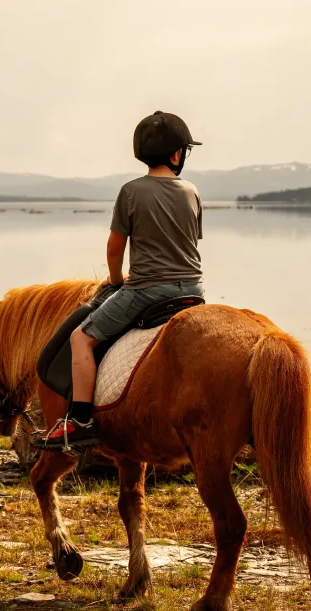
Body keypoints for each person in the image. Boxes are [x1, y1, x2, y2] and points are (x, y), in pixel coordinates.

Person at [44, 111, 204, 448]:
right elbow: (187, 242)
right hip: (194, 288)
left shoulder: (130, 191)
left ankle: (81, 420)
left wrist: (116, 280)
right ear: (177, 155)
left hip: (146, 290)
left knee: (81, 339)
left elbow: (115, 247)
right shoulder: (191, 191)